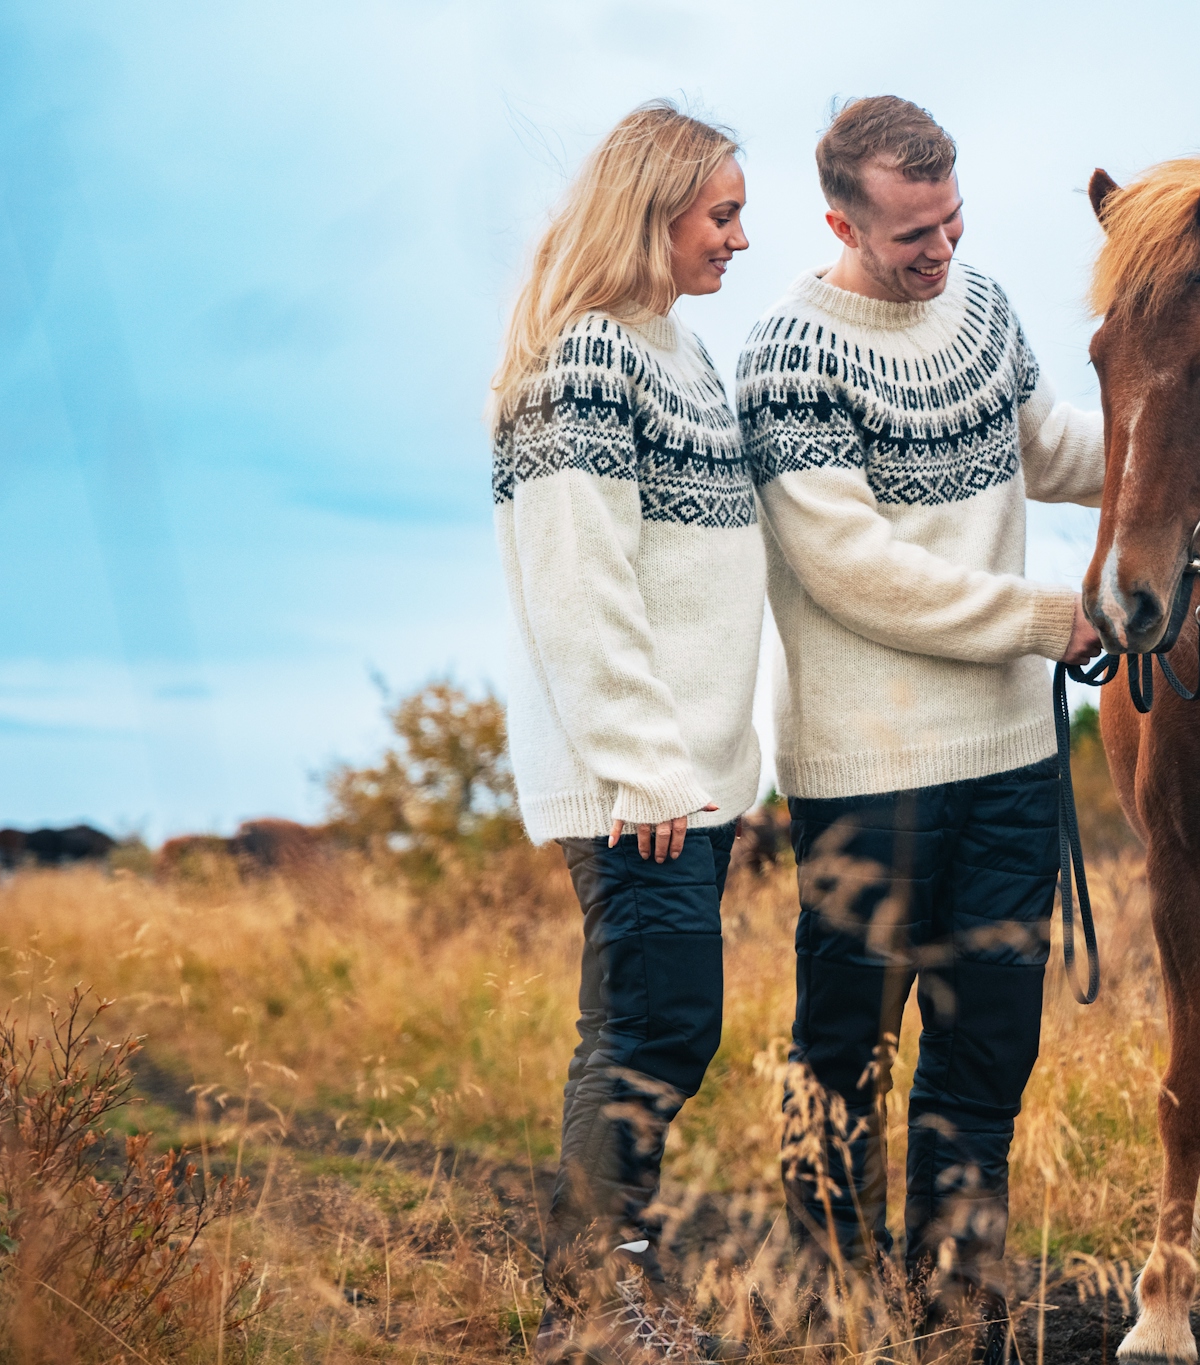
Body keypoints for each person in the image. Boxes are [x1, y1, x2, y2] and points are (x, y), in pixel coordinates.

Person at [734, 95, 1104, 1343]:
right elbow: (854, 570)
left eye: (951, 222)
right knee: (845, 1056)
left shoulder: (983, 307)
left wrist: (1187, 438)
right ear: (840, 222)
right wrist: (1041, 616)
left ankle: (953, 1311)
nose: (939, 250)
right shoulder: (787, 355)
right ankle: (841, 1317)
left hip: (1010, 760)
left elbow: (1046, 447)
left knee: (985, 1051)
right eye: (911, 236)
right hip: (867, 769)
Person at [487, 99, 759, 1360]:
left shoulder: (680, 354)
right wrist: (644, 765)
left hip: (688, 777)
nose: (738, 239)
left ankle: (600, 1284)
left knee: (660, 1025)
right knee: (651, 1029)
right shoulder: (586, 355)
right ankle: (600, 1298)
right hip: (634, 782)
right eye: (721, 215)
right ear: (651, 213)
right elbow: (579, 585)